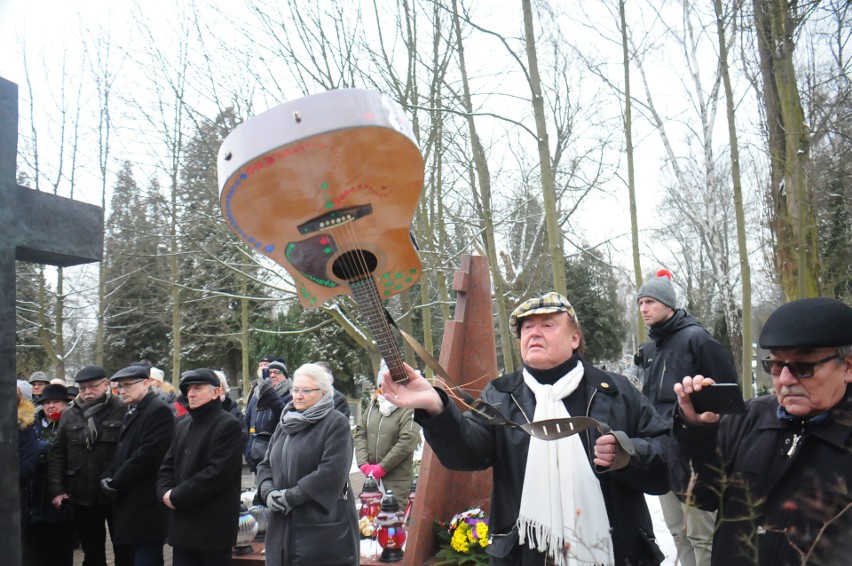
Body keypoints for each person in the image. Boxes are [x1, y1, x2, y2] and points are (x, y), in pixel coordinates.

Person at [383, 292, 671, 565]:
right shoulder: (500, 394)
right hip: (524, 556)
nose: (534, 332)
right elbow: (466, 453)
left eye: (547, 325)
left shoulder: (616, 391)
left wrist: (627, 454)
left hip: (618, 552)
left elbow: (667, 460)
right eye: (527, 327)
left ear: (575, 338)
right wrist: (436, 406)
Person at [670, 297, 852, 566]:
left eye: (804, 367)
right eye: (776, 366)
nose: (786, 380)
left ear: (848, 366)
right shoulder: (749, 418)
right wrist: (696, 433)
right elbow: (696, 495)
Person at [635, 269, 737, 566]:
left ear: (669, 304)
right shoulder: (649, 348)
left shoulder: (698, 340)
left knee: (702, 535)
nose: (644, 308)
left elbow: (728, 398)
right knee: (677, 533)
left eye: (651, 301)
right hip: (663, 453)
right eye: (641, 302)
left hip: (696, 456)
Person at [256, 363, 360, 565]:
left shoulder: (335, 422)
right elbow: (265, 464)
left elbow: (332, 472)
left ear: (323, 392)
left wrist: (292, 496)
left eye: (306, 390)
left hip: (321, 529)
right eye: (295, 389)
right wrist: (268, 491)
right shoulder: (284, 423)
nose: (298, 395)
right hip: (282, 527)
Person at [157, 368, 243, 566]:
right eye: (188, 389)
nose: (191, 394)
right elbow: (167, 465)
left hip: (212, 527)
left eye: (198, 388)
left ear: (216, 392)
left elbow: (217, 474)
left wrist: (176, 496)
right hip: (182, 525)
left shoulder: (228, 425)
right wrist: (164, 492)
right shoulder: (182, 425)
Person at [47, 365, 127, 566]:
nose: (87, 392)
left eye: (92, 386)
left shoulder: (122, 409)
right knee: (92, 554)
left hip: (116, 492)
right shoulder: (70, 413)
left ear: (106, 384)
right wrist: (57, 490)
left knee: (125, 550)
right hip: (82, 493)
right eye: (82, 388)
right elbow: (58, 453)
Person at [101, 365, 175, 566]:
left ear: (145, 383)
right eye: (119, 387)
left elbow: (147, 456)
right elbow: (121, 452)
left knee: (146, 557)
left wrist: (115, 481)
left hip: (146, 502)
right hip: (129, 501)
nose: (122, 391)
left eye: (127, 386)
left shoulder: (159, 411)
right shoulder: (132, 411)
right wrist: (106, 476)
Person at [355, 361, 421, 507]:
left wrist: (382, 468)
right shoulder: (373, 406)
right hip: (371, 480)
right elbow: (360, 433)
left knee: (393, 525)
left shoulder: (409, 407)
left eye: (390, 383)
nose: (385, 388)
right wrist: (363, 464)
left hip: (397, 483)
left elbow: (407, 440)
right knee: (370, 523)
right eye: (382, 384)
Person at [23, 383, 76, 566]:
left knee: (60, 554)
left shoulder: (73, 424)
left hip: (60, 499)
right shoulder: (31, 425)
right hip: (34, 499)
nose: (51, 406)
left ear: (66, 404)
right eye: (47, 402)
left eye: (56, 402)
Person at [244, 360, 291, 473]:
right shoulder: (256, 396)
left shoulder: (291, 396)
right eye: (269, 372)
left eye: (277, 372)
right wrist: (248, 452)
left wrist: (270, 393)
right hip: (255, 459)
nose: (272, 375)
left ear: (285, 376)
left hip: (279, 461)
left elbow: (286, 418)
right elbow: (245, 425)